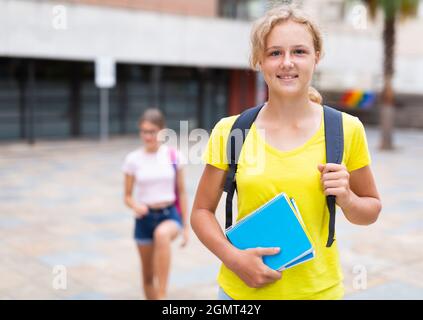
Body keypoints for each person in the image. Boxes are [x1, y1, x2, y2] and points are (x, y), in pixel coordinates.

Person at [191, 5, 382, 300]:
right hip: (241, 294)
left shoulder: (346, 129)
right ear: (259, 61)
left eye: (300, 52)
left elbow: (370, 211)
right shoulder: (231, 131)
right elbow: (201, 212)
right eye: (275, 53)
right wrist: (233, 258)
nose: (287, 63)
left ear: (316, 57)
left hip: (319, 292)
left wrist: (347, 198)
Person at [122, 108, 189, 300]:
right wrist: (135, 205)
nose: (147, 136)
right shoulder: (132, 160)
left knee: (162, 235)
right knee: (148, 276)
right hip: (144, 219)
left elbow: (182, 192)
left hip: (169, 215)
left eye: (152, 131)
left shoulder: (174, 156)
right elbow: (126, 196)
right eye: (144, 131)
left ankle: (162, 296)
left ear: (162, 131)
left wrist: (186, 227)